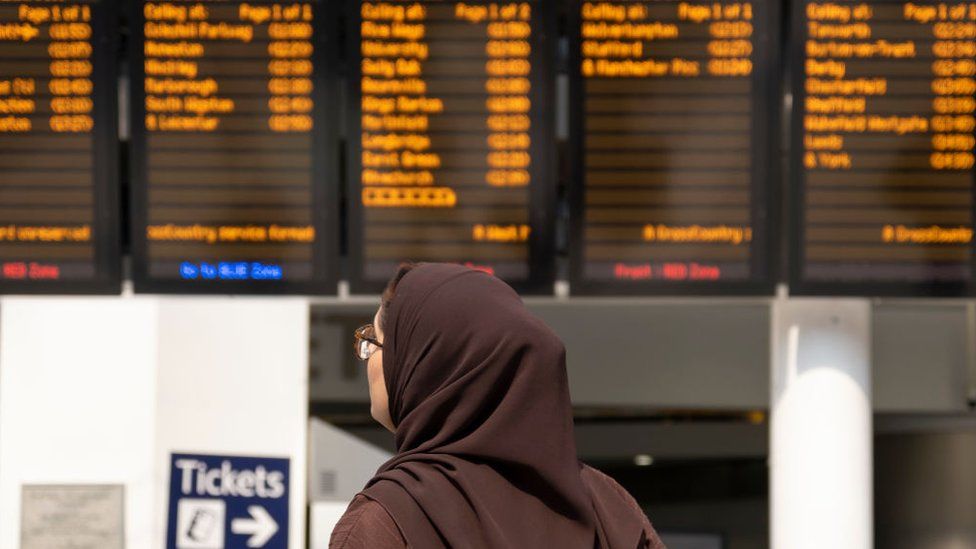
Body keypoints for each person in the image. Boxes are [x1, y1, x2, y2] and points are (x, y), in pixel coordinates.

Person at [330, 262, 665, 548]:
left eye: (373, 342)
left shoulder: (387, 521)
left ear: (426, 363)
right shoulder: (608, 508)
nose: (367, 358)